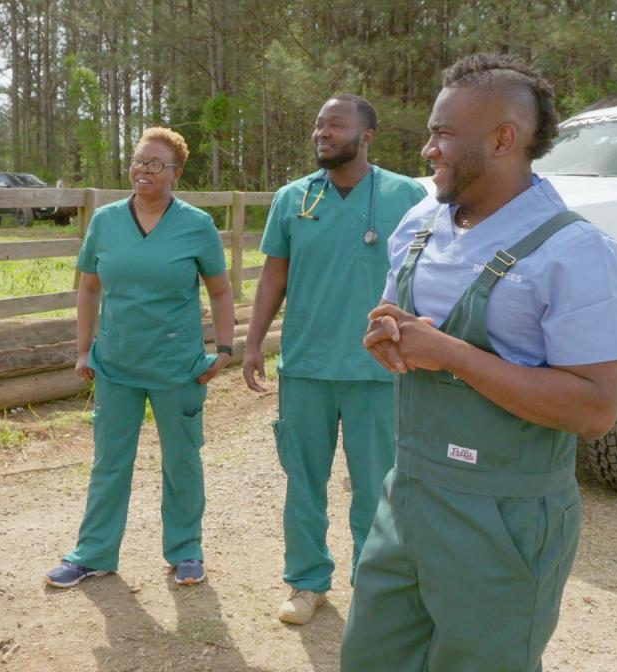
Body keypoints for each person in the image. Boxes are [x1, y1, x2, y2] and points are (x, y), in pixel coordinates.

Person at [342, 54, 617, 671]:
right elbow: (398, 309)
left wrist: (450, 354)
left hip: (504, 516)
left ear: (504, 138)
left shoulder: (576, 252)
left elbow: (596, 408)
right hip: (408, 492)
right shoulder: (421, 222)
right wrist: (388, 329)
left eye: (444, 133)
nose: (427, 149)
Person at [242, 95, 427, 625]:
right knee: (304, 481)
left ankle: (372, 585)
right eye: (319, 125)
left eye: (335, 125)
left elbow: (428, 272)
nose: (322, 133)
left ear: (367, 134)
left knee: (377, 485)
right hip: (305, 365)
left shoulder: (407, 194)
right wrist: (254, 343)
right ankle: (305, 582)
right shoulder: (293, 198)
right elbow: (274, 275)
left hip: (378, 368)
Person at [45, 127, 235, 589]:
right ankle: (94, 553)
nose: (144, 170)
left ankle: (186, 550)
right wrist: (84, 348)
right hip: (117, 364)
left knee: (182, 461)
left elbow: (221, 290)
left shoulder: (196, 225)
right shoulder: (106, 222)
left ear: (176, 173)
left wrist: (225, 348)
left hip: (177, 367)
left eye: (156, 163)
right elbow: (89, 287)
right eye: (138, 160)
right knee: (110, 461)